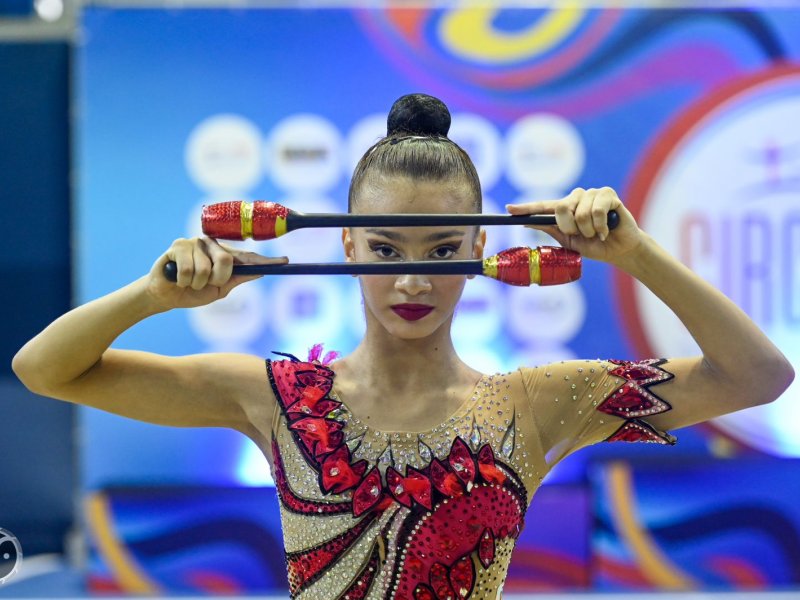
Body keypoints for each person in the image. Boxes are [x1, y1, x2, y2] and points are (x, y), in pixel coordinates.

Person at [12, 93, 794, 600]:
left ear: (480, 251)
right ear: (346, 242)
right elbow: (43, 370)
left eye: (441, 249)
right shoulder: (277, 397)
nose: (412, 281)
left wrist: (637, 255)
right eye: (385, 250)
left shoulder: (534, 403)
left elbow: (759, 376)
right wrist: (153, 295)